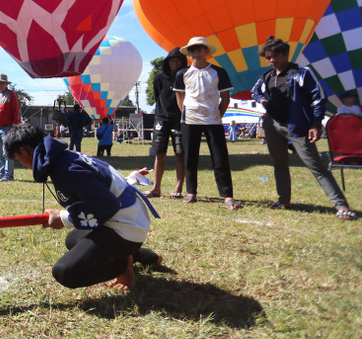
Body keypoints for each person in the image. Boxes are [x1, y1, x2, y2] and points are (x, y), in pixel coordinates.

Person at [4, 123, 161, 292]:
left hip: (127, 226)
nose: (22, 163)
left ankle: (122, 266)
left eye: (17, 158)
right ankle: (148, 257)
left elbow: (107, 205)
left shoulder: (66, 169)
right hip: (128, 219)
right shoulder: (65, 158)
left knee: (65, 272)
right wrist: (63, 216)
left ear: (23, 151)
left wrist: (65, 218)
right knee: (73, 240)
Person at [251, 37, 356, 220]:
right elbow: (256, 90)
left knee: (316, 166)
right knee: (279, 164)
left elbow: (318, 98)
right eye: (268, 57)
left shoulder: (302, 73)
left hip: (297, 126)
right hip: (272, 124)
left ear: (286, 54)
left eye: (275, 56)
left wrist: (316, 124)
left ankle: (341, 206)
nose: (271, 60)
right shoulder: (267, 77)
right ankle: (284, 200)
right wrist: (262, 99)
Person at [173, 37, 240, 210]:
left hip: (213, 120)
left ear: (206, 52)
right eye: (192, 51)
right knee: (190, 158)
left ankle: (227, 195)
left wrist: (218, 114)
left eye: (199, 50)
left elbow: (225, 97)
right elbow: (179, 96)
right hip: (189, 120)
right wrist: (186, 114)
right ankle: (191, 192)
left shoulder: (218, 72)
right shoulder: (182, 74)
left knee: (220, 158)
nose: (195, 53)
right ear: (189, 54)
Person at [148, 48, 186, 199]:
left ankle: (178, 188)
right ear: (167, 62)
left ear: (183, 62)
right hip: (161, 119)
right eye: (172, 60)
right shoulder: (159, 78)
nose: (175, 62)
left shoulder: (186, 76)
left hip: (180, 120)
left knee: (180, 155)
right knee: (159, 154)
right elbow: (158, 97)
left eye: (178, 60)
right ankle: (156, 188)